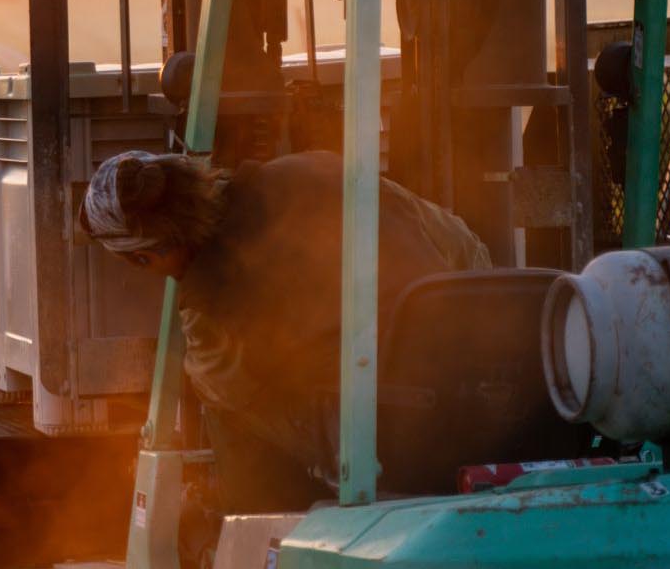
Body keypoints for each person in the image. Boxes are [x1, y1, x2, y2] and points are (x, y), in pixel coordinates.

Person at [79, 149, 488, 504]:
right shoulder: (316, 169)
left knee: (221, 399)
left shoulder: (208, 311)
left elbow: (255, 402)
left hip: (390, 435)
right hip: (474, 386)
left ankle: (259, 538)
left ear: (145, 257)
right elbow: (464, 246)